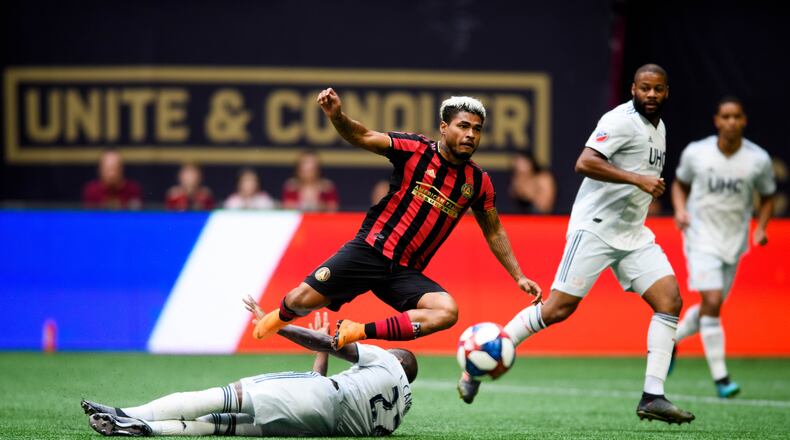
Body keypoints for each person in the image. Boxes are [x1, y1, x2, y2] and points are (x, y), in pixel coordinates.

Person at [458, 64, 695, 424]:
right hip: (595, 228)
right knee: (557, 309)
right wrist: (637, 179)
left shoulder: (658, 127)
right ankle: (476, 366)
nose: (651, 94)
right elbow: (584, 162)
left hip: (633, 233)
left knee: (670, 301)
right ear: (633, 89)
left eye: (657, 89)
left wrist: (639, 186)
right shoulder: (619, 121)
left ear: (666, 92)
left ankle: (653, 396)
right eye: (644, 88)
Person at [251, 88, 541, 352]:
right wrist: (337, 116)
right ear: (444, 127)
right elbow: (363, 136)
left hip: (404, 273)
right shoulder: (415, 149)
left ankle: (357, 331)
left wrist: (518, 276)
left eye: (477, 129)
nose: (471, 135)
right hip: (370, 250)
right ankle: (271, 322)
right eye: (463, 126)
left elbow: (494, 231)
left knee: (446, 311)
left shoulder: (478, 182)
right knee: (299, 300)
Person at [82, 302, 417, 437]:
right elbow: (327, 396)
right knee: (219, 427)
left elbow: (335, 344)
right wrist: (322, 349)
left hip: (325, 396)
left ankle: (126, 413)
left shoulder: (387, 360)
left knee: (219, 398)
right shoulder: (400, 411)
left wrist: (276, 324)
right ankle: (146, 429)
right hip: (318, 426)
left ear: (400, 360)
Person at [671, 96, 776, 398]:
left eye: (736, 117)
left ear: (744, 121)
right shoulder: (697, 153)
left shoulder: (758, 159)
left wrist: (762, 227)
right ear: (717, 121)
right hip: (700, 236)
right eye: (725, 117)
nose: (731, 122)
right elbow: (679, 184)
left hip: (734, 240)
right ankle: (721, 378)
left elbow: (768, 196)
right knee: (713, 300)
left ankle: (670, 339)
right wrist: (680, 210)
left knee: (711, 306)